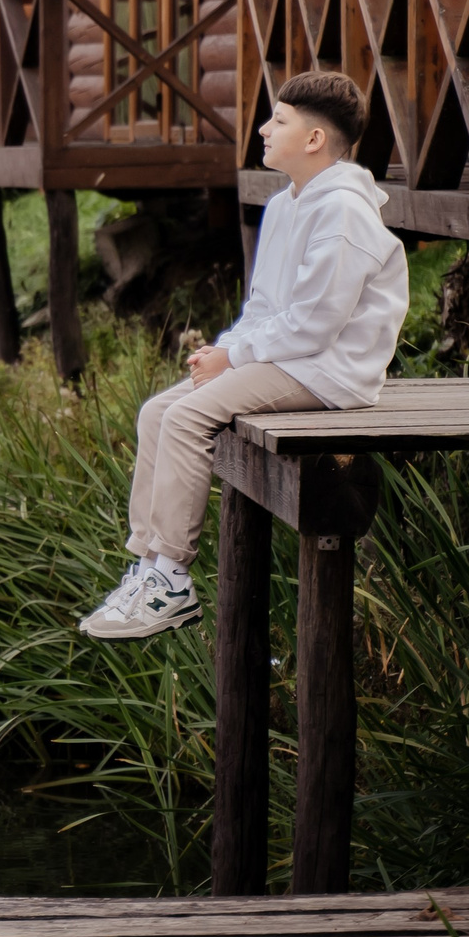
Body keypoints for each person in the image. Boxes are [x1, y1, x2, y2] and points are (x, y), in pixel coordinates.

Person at [79, 70, 408, 641]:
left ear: (314, 140)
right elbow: (264, 305)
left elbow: (316, 324)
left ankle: (174, 582)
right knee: (157, 412)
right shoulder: (286, 205)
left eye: (278, 120)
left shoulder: (344, 212)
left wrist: (234, 362)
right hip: (286, 359)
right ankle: (149, 567)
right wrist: (226, 350)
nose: (262, 129)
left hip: (331, 371)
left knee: (186, 418)